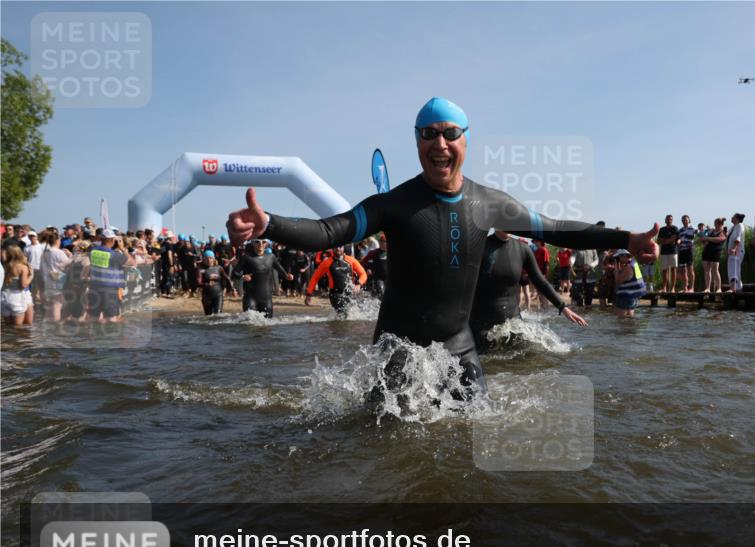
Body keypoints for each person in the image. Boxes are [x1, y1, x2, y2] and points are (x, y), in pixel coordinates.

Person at [227, 97, 657, 394]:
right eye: (428, 134)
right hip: (397, 350)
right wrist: (269, 224)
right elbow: (328, 232)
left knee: (474, 441)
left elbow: (557, 229)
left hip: (459, 347)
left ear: (466, 140)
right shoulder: (392, 204)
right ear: (417, 142)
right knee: (384, 450)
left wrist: (628, 239)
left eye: (450, 133)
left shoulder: (489, 203)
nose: (440, 143)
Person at [470, 230, 586, 352]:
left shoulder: (522, 249)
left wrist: (563, 307)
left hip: (512, 325)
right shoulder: (480, 247)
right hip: (482, 326)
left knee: (523, 364)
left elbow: (540, 281)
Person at [233, 239, 291, 318]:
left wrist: (287, 276)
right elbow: (235, 272)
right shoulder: (246, 257)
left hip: (266, 299)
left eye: (263, 242)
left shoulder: (271, 257)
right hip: (250, 298)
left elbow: (280, 270)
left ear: (266, 244)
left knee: (267, 326)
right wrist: (243, 276)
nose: (260, 244)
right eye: (257, 242)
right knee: (250, 325)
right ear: (253, 243)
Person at [86, 229, 135, 322]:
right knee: (111, 319)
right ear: (113, 240)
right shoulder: (114, 255)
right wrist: (123, 249)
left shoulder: (93, 252)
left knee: (93, 318)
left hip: (94, 288)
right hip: (110, 290)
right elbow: (132, 262)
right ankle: (110, 336)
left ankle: (94, 336)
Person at [305, 246, 366, 314]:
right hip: (335, 294)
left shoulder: (351, 260)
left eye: (340, 246)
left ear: (343, 248)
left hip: (349, 292)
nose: (338, 249)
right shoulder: (327, 262)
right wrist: (309, 294)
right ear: (332, 249)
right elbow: (315, 278)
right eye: (336, 247)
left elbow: (363, 274)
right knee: (343, 313)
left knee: (354, 312)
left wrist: (359, 284)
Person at [39, 229, 72, 321]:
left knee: (50, 306)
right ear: (57, 240)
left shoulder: (45, 252)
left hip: (48, 281)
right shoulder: (59, 252)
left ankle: (46, 326)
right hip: (58, 281)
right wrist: (70, 255)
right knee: (57, 305)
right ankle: (55, 327)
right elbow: (69, 265)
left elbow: (41, 267)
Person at [1, 245, 34, 327]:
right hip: (17, 297)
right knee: (18, 328)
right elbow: (23, 285)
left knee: (8, 326)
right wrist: (31, 276)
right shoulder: (22, 267)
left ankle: (7, 340)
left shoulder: (3, 266)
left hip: (4, 297)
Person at [613, 249, 645, 318]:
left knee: (621, 319)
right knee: (629, 319)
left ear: (624, 256)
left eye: (619, 258)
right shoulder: (634, 264)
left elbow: (618, 280)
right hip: (634, 296)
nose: (619, 260)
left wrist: (616, 266)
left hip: (626, 296)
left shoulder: (628, 267)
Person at [697, 218, 726, 293]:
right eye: (715, 223)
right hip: (706, 252)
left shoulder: (723, 231)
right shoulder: (711, 231)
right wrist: (703, 240)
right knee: (707, 271)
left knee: (715, 270)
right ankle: (707, 288)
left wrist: (708, 238)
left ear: (720, 224)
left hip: (716, 252)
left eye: (717, 223)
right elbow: (704, 240)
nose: (715, 225)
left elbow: (720, 239)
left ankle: (719, 288)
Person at [199, 250, 225, 315]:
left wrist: (231, 289)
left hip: (218, 294)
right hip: (206, 296)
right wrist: (207, 284)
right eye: (207, 258)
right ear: (204, 259)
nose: (209, 260)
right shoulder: (200, 269)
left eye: (211, 258)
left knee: (218, 314)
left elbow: (226, 278)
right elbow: (198, 283)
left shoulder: (219, 268)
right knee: (209, 316)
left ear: (214, 259)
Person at [657, 214, 678, 293]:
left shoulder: (675, 228)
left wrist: (665, 240)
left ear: (672, 220)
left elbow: (673, 239)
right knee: (664, 270)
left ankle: (673, 288)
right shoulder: (662, 229)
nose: (669, 220)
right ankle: (664, 288)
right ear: (665, 220)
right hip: (664, 252)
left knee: (673, 269)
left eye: (670, 219)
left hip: (673, 251)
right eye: (667, 219)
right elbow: (658, 240)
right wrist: (667, 240)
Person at [725, 213, 746, 292]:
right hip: (731, 251)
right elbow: (726, 235)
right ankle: (738, 287)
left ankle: (733, 288)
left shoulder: (740, 225)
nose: (731, 217)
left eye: (733, 217)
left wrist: (734, 248)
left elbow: (738, 238)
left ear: (737, 219)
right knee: (732, 268)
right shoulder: (734, 227)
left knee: (734, 268)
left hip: (737, 250)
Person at [677, 215, 696, 292]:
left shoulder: (693, 228)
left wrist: (694, 242)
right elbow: (678, 239)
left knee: (690, 270)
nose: (684, 221)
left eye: (686, 219)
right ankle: (685, 287)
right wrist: (678, 242)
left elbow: (701, 235)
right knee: (682, 270)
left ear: (689, 220)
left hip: (689, 250)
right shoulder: (680, 230)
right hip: (681, 251)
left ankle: (691, 288)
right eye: (683, 220)